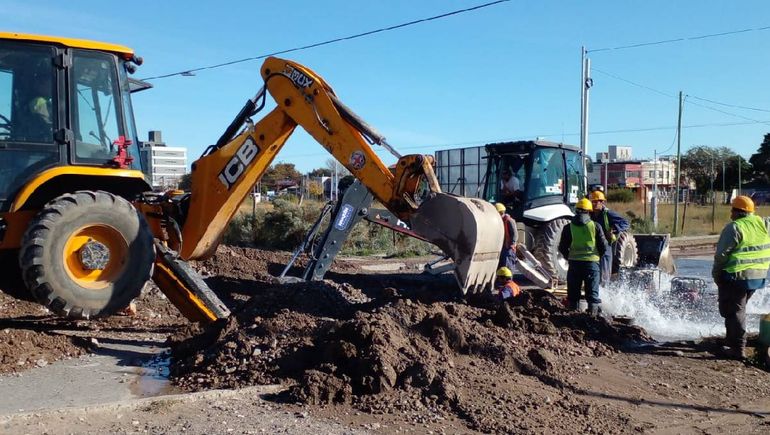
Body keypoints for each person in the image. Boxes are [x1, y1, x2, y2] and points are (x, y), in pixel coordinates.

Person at [712, 195, 770, 360]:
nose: (731, 214)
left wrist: (716, 275)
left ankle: (738, 348)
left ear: (738, 212)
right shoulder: (762, 223)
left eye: (732, 210)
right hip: (758, 275)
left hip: (737, 275)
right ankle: (731, 339)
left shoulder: (734, 227)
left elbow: (721, 256)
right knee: (735, 309)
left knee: (735, 311)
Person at [558, 198, 609, 315]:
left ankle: (572, 318)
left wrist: (570, 257)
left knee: (573, 295)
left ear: (576, 211)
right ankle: (593, 318)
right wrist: (597, 257)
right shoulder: (595, 226)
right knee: (592, 295)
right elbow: (604, 246)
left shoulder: (568, 227)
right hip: (591, 264)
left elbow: (562, 247)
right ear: (589, 212)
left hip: (574, 264)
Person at [589, 190, 630, 284]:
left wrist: (614, 229)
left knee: (604, 271)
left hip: (605, 245)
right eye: (592, 202)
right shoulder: (590, 214)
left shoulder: (608, 214)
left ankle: (604, 288)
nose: (594, 204)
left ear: (602, 202)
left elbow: (625, 223)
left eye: (596, 202)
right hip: (593, 246)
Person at [496, 202, 517, 271]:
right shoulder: (499, 221)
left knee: (507, 266)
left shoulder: (509, 221)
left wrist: (512, 244)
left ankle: (508, 277)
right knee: (501, 266)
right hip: (502, 246)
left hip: (508, 248)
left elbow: (515, 234)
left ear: (501, 212)